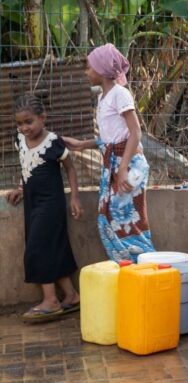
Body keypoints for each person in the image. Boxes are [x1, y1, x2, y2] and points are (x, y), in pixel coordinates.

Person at [63, 43, 154, 262]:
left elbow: (135, 132)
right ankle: (128, 270)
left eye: (89, 67)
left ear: (102, 70)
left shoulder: (120, 94)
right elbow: (110, 138)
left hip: (129, 165)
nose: (86, 72)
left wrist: (123, 168)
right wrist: (81, 144)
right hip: (113, 163)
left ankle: (146, 270)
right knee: (108, 219)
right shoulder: (102, 98)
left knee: (128, 222)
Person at [6, 95, 82, 323]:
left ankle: (50, 300)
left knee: (37, 247)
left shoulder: (53, 142)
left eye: (28, 122)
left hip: (51, 203)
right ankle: (71, 296)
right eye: (19, 123)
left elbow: (70, 168)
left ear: (42, 118)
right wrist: (21, 186)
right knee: (53, 247)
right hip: (32, 201)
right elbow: (26, 164)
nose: (24, 127)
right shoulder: (19, 139)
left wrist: (75, 198)